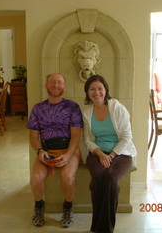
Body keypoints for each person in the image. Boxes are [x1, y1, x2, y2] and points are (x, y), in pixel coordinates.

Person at [82, 74, 137, 233]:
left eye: (100, 88)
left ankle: (103, 229)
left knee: (110, 178)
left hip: (121, 153)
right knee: (99, 178)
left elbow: (127, 137)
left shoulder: (117, 108)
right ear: (87, 92)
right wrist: (100, 154)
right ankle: (99, 226)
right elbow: (88, 140)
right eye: (92, 89)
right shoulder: (87, 112)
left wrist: (111, 155)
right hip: (97, 153)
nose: (96, 92)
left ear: (106, 90)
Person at [27, 73, 83, 228]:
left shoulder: (73, 107)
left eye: (59, 82)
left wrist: (68, 155)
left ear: (64, 86)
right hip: (46, 150)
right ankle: (39, 207)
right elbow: (33, 136)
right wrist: (39, 151)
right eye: (52, 82)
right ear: (46, 85)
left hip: (69, 149)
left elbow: (76, 135)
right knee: (36, 178)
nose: (56, 85)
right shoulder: (37, 108)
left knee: (68, 177)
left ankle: (67, 208)